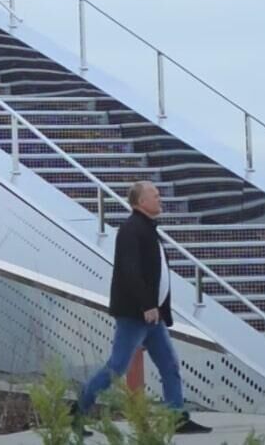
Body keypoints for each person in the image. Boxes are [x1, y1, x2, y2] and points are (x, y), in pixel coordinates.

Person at [70, 181, 211, 436]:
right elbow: (129, 270)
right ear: (140, 202)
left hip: (152, 316)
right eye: (155, 196)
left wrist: (155, 307)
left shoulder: (147, 228)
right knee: (116, 368)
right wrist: (147, 304)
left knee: (169, 364)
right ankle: (78, 412)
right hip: (136, 315)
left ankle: (176, 417)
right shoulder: (131, 230)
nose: (160, 199)